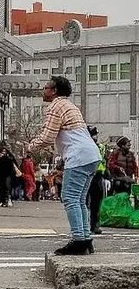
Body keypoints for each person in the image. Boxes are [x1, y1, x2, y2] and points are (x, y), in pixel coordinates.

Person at [27, 74, 100, 255]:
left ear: (54, 91)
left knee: (70, 198)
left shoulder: (56, 106)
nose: (43, 91)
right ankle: (85, 239)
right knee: (80, 200)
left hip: (78, 157)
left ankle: (79, 240)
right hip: (91, 155)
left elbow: (47, 137)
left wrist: (30, 146)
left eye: (46, 88)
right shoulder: (69, 105)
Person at [86, 126, 107, 236]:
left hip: (97, 175)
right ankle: (85, 225)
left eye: (96, 134)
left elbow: (103, 160)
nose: (95, 137)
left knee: (96, 201)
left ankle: (94, 224)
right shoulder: (84, 145)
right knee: (84, 202)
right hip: (86, 174)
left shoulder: (100, 147)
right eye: (93, 134)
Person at [0, 142, 18, 207]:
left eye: (4, 151)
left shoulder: (9, 156)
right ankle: (2, 200)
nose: (3, 152)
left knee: (6, 187)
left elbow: (12, 163)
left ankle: (7, 200)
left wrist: (5, 157)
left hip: (8, 175)